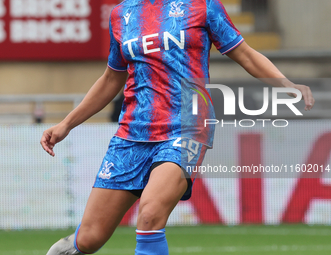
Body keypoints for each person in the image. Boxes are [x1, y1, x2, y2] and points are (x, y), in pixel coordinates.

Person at [40, 0, 315, 254]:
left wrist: (286, 84)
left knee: (149, 215)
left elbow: (245, 54)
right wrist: (67, 124)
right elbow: (112, 78)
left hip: (187, 126)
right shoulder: (121, 14)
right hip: (132, 133)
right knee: (90, 238)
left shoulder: (203, 6)